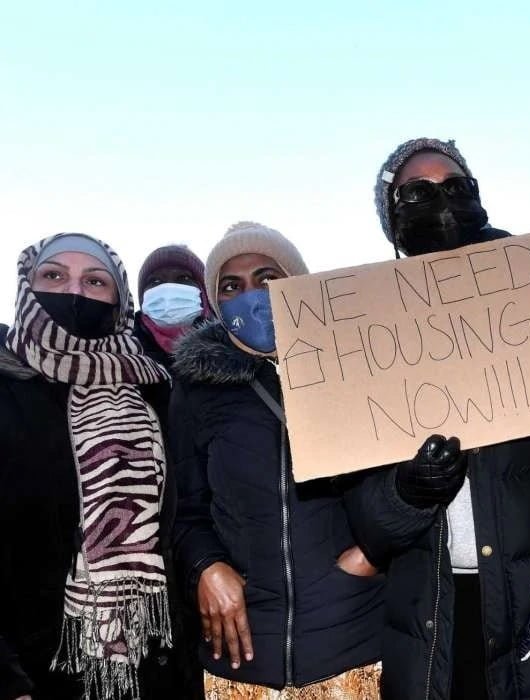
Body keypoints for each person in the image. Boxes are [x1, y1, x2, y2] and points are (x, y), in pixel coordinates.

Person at [345, 138, 530, 700]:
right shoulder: (368, 327)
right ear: (392, 217)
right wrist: (406, 494)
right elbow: (363, 515)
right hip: (432, 622)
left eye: (456, 185)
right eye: (416, 192)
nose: (440, 199)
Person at [168, 221, 384, 699]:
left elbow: (395, 485)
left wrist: (370, 553)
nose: (250, 295)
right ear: (216, 304)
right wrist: (205, 565)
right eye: (231, 286)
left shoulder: (354, 366)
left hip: (351, 641)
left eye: (267, 277)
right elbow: (184, 510)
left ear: (297, 282)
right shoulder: (197, 388)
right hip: (242, 656)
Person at [0, 233, 182, 700]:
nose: (75, 292)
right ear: (26, 286)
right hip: (34, 670)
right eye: (54, 275)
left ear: (120, 303)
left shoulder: (155, 387)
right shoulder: (7, 384)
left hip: (155, 662)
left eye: (96, 281)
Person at [134, 245, 209, 367]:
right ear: (143, 297)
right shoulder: (120, 349)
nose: (168, 289)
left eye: (184, 278)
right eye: (155, 281)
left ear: (204, 292)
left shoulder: (233, 345)